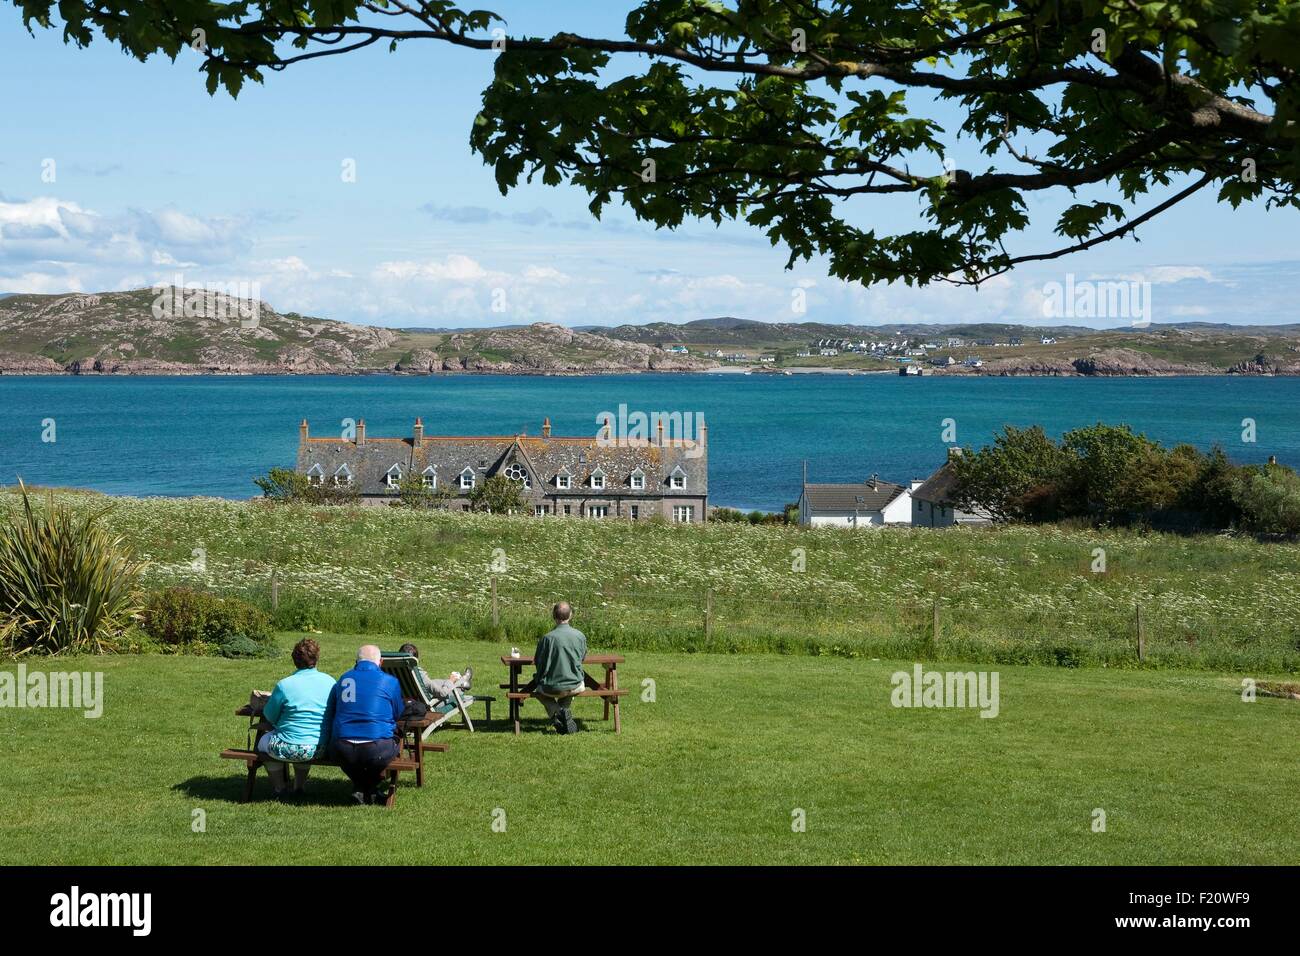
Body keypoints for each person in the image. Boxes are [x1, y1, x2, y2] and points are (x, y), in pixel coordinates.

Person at [324, 644, 404, 805]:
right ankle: (370, 788)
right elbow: (398, 712)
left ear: (356, 661)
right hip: (376, 748)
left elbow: (334, 708)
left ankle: (361, 788)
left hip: (341, 748)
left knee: (354, 757)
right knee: (397, 742)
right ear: (380, 662)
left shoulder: (343, 679)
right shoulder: (390, 682)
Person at [257, 638, 335, 800]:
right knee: (300, 741)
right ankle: (298, 786)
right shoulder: (330, 682)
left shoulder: (285, 685)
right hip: (320, 747)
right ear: (316, 658)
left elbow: (270, 716)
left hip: (290, 746)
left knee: (263, 742)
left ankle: (280, 788)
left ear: (294, 660)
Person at [530, 601, 588, 735]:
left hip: (551, 687)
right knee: (568, 691)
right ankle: (563, 714)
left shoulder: (547, 639)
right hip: (575, 684)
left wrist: (538, 678)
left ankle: (558, 714)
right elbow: (582, 658)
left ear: (553, 616)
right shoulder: (580, 636)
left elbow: (538, 662)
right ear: (571, 615)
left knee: (538, 691)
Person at [397, 642, 472, 702]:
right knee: (450, 687)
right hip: (425, 704)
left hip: (405, 702)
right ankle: (462, 683)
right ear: (415, 660)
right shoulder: (418, 674)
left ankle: (462, 680)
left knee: (436, 682)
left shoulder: (394, 671)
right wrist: (450, 680)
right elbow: (442, 693)